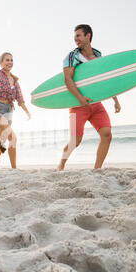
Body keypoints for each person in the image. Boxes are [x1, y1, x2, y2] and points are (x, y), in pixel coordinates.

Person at [57, 24, 121, 171]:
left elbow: (105, 79)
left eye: (79, 36)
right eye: (74, 37)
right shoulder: (72, 56)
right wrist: (80, 98)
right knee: (75, 141)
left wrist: (115, 99)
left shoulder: (98, 56)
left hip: (96, 103)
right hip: (76, 105)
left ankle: (97, 169)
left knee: (107, 134)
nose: (76, 39)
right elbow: (67, 79)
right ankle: (61, 165)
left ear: (88, 36)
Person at [0, 52, 31, 171]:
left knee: (4, 139)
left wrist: (27, 111)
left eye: (11, 60)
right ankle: (1, 167)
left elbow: (20, 99)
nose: (10, 62)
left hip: (9, 110)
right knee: (10, 138)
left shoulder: (15, 81)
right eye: (7, 60)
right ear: (1, 62)